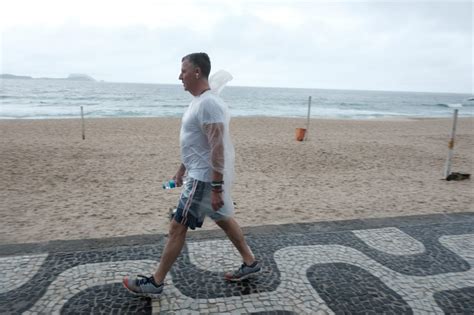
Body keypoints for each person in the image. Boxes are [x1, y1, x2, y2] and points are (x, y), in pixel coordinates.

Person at [123, 53, 261, 298]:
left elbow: (217, 148)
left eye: (183, 71)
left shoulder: (209, 104)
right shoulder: (199, 102)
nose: (180, 76)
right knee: (223, 218)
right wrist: (180, 171)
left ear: (197, 72)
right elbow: (196, 145)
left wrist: (217, 188)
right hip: (197, 174)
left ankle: (155, 282)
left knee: (177, 226)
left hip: (204, 179)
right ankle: (250, 262)